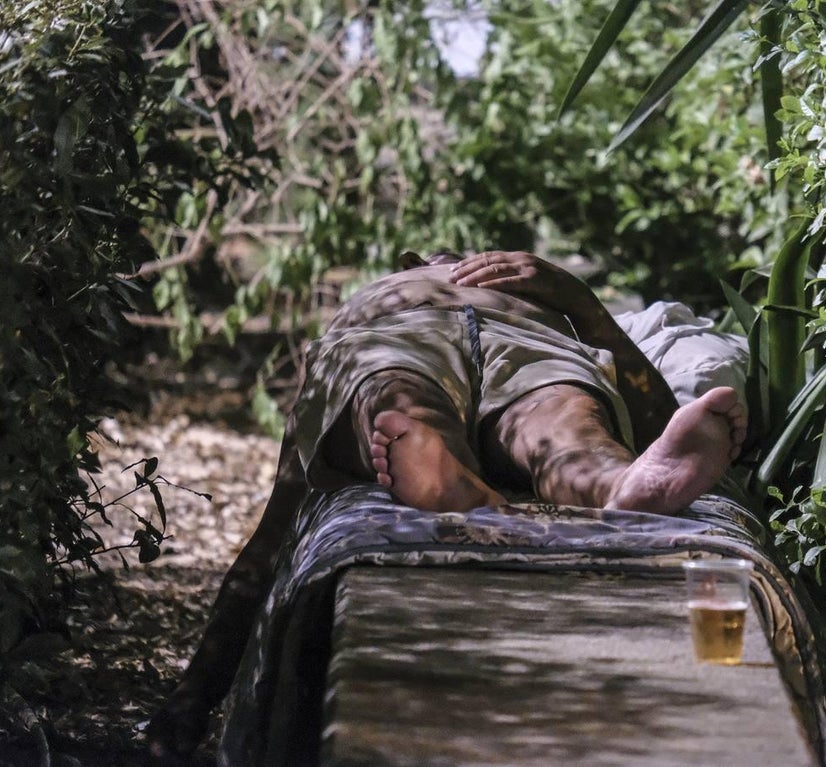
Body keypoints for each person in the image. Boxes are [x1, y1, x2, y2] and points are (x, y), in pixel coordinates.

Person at [144, 250, 747, 761]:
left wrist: (579, 303)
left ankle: (613, 486)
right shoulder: (382, 294)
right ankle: (466, 475)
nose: (465, 261)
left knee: (565, 426)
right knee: (403, 401)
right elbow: (275, 530)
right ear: (412, 261)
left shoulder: (542, 298)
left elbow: (657, 418)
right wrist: (189, 702)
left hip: (527, 340)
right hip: (394, 335)